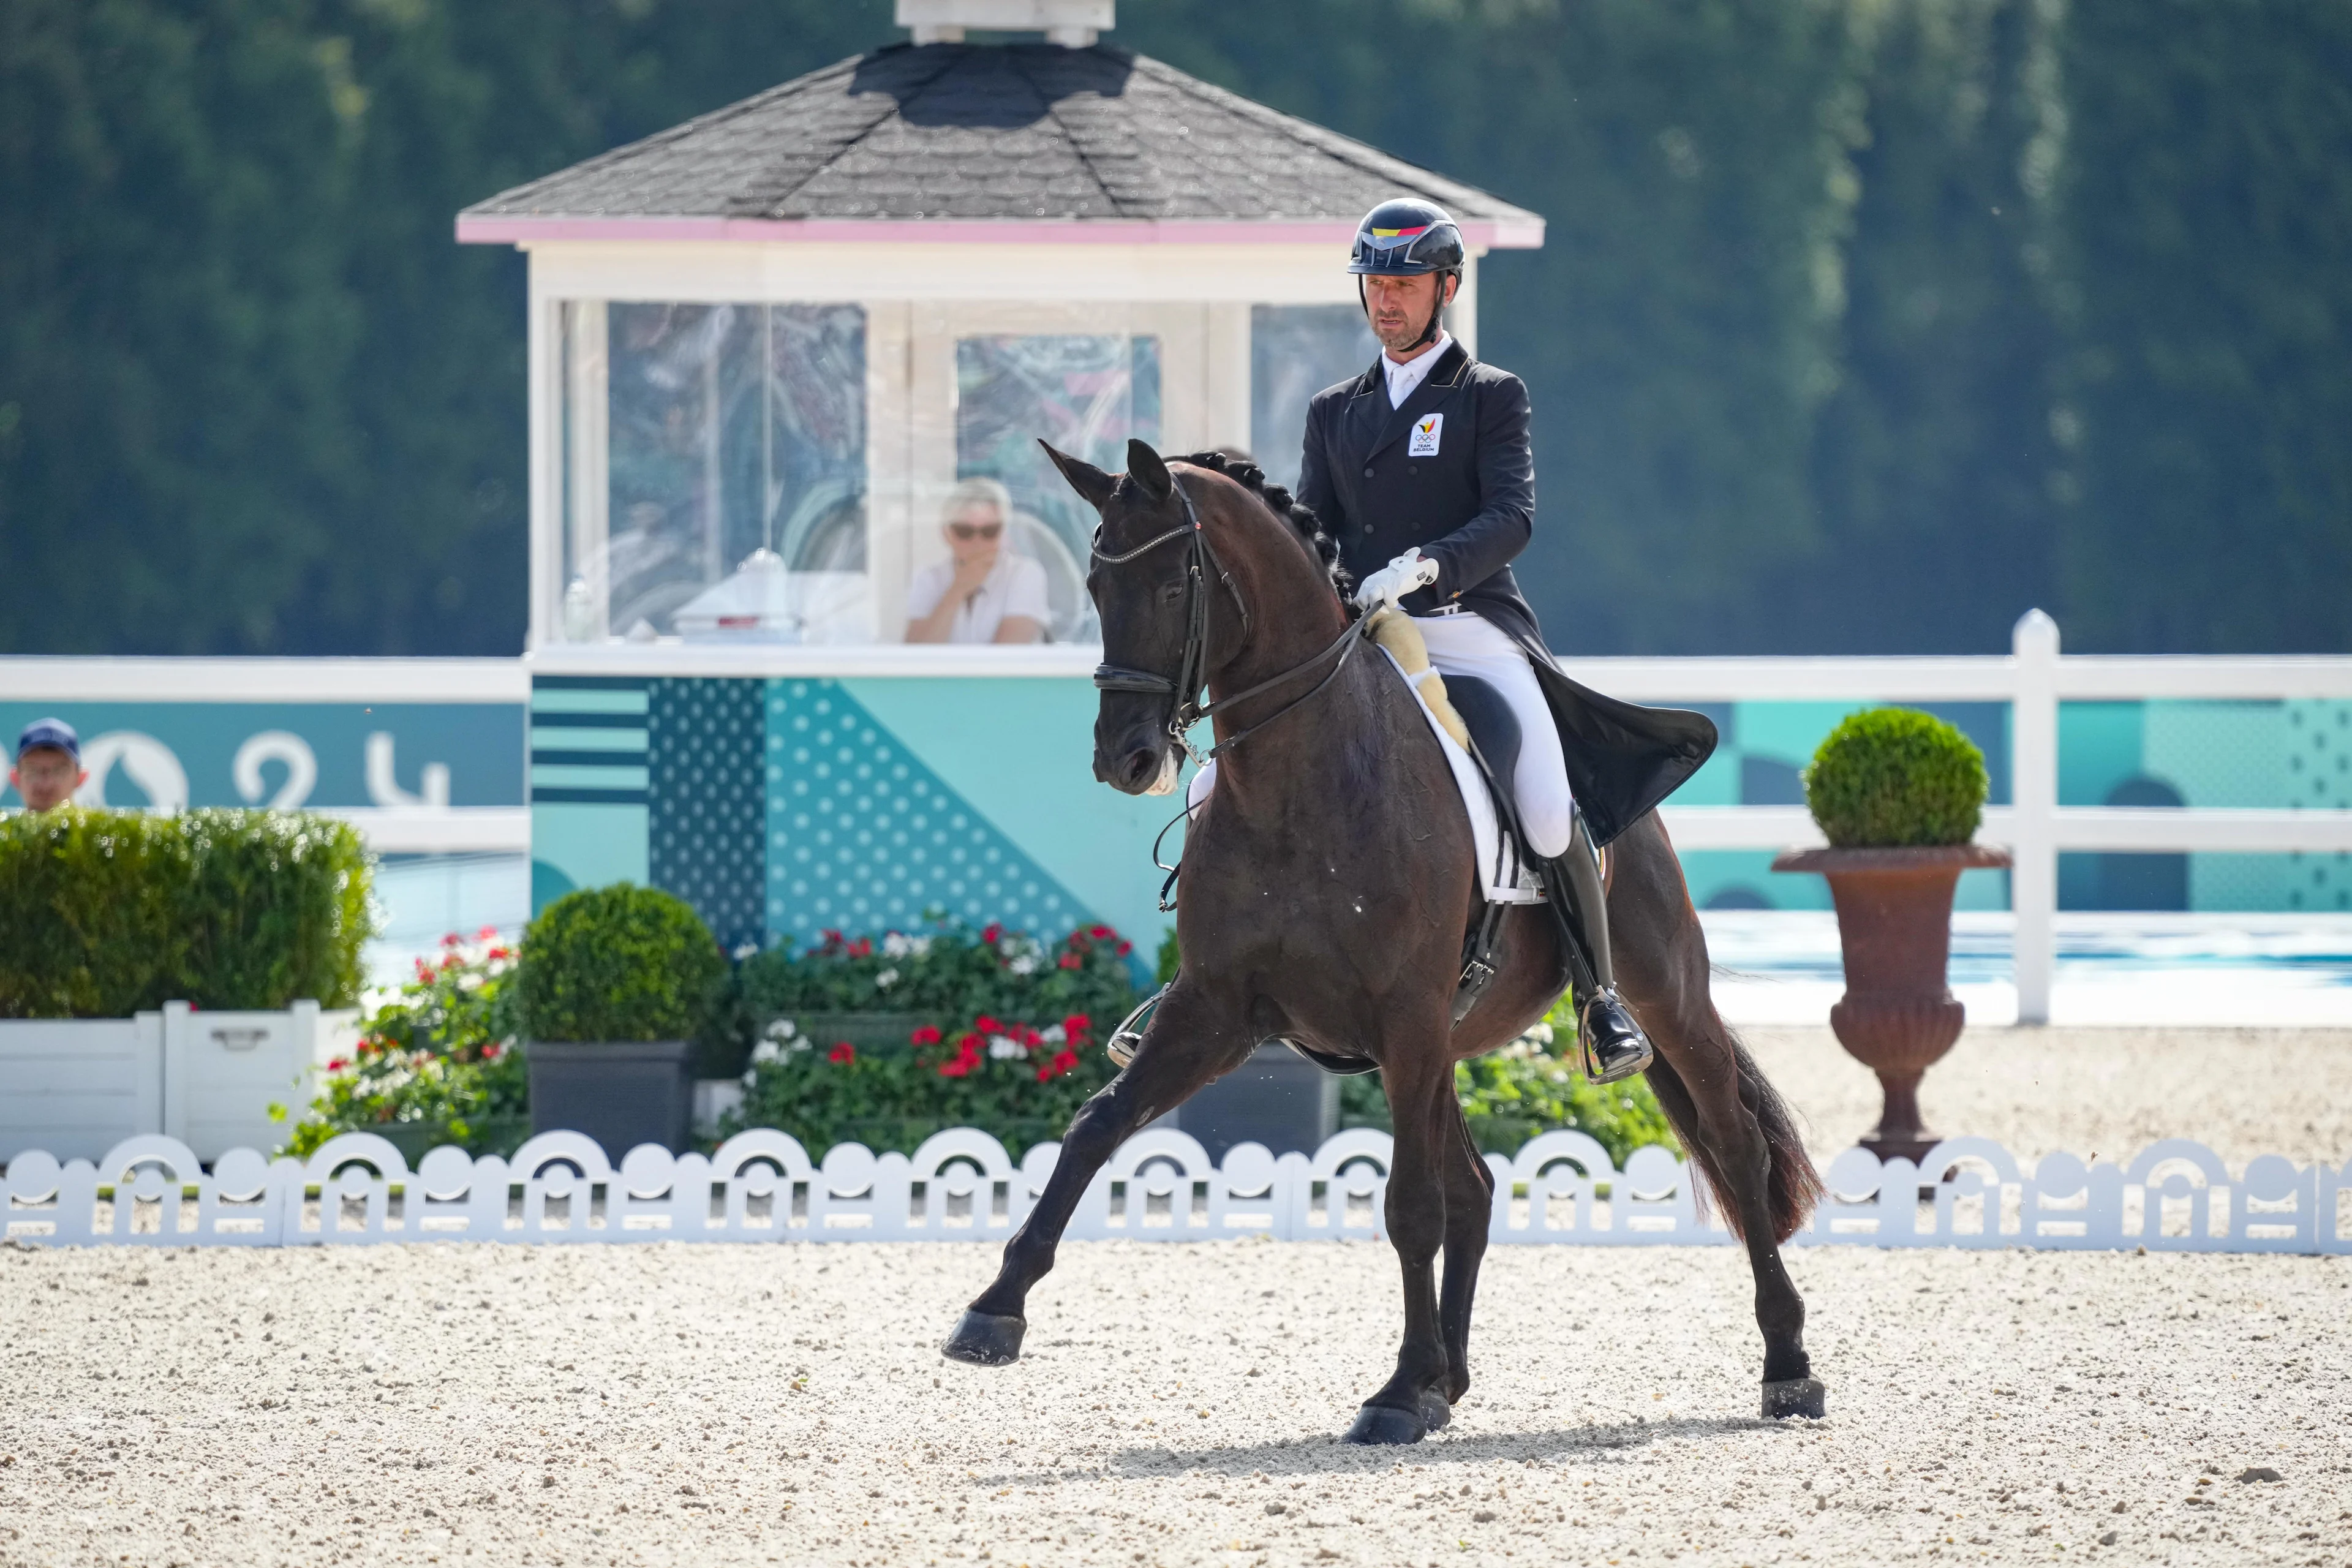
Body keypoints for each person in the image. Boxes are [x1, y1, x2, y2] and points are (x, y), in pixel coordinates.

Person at [1297, 198, 1656, 1082]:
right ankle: (1206, 973)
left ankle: (1599, 1000)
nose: (1386, 300)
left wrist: (1426, 567)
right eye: (1375, 284)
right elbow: (1311, 529)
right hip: (1362, 636)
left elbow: (1512, 517)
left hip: (1462, 627)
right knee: (1226, 773)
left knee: (1542, 801)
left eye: (1405, 284)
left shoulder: (1489, 396)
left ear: (1445, 288)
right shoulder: (1333, 410)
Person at [904, 477, 1050, 644]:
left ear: (1003, 533)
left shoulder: (1025, 574)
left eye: (989, 531)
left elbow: (1010, 654)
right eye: (964, 531)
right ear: (946, 533)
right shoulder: (927, 578)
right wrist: (958, 589)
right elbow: (917, 653)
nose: (977, 542)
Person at [10, 717, 86, 813]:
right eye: (33, 770)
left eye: (59, 771)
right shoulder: (5, 827)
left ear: (80, 778)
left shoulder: (99, 828)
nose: (46, 784)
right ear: (15, 778)